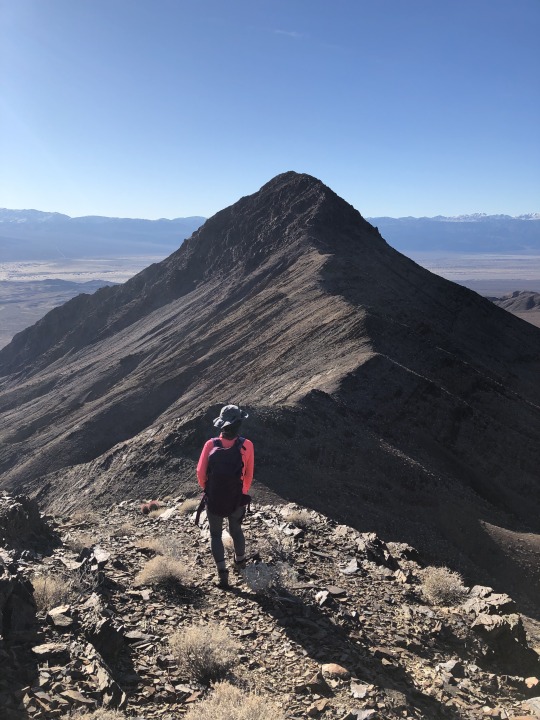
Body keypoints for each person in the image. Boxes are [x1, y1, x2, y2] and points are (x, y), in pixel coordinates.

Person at [197, 404, 254, 588]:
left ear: (221, 425)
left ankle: (223, 575)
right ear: (239, 424)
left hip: (214, 497)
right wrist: (242, 492)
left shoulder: (210, 445)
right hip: (237, 498)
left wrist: (209, 488)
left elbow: (200, 473)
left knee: (215, 534)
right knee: (236, 530)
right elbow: (249, 474)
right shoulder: (247, 445)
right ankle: (240, 564)